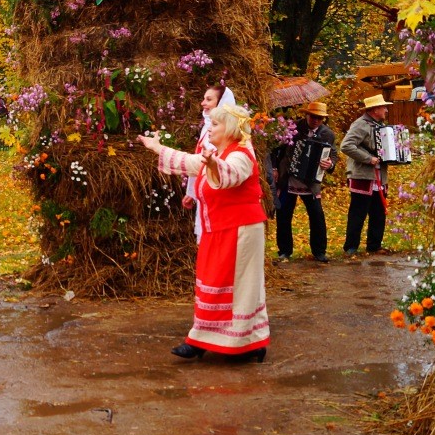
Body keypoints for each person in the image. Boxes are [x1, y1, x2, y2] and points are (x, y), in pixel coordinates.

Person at [138, 103, 269, 362]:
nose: (211, 128)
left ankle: (244, 342)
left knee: (238, 288)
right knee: (214, 282)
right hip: (219, 229)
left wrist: (213, 165)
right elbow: (189, 162)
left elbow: (229, 174)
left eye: (216, 124)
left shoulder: (241, 154)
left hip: (240, 230)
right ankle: (208, 339)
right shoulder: (218, 153)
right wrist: (157, 148)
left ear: (230, 128)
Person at [273, 101, 337, 262]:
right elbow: (276, 148)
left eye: (320, 118)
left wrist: (330, 163)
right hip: (289, 177)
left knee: (316, 215)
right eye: (313, 117)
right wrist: (275, 168)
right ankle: (285, 251)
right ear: (306, 115)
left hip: (311, 182)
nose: (316, 120)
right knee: (284, 214)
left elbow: (333, 154)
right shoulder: (293, 128)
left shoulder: (327, 134)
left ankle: (319, 251)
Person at [341, 94, 394, 257]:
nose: (386, 110)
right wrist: (368, 158)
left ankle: (374, 245)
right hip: (363, 176)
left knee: (378, 213)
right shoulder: (360, 125)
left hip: (379, 176)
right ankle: (351, 247)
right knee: (358, 212)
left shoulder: (381, 126)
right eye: (383, 107)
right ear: (375, 109)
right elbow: (346, 146)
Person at [183, 85, 236, 244]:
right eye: (204, 99)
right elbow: (199, 158)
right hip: (206, 192)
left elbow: (208, 162)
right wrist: (192, 192)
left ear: (222, 102)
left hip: (217, 193)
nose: (203, 103)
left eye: (209, 99)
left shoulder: (227, 132)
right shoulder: (207, 127)